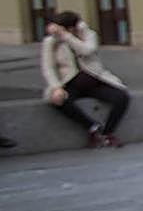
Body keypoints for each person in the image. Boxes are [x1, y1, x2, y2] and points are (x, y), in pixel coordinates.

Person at [41, 11, 129, 148]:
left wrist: (67, 36)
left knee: (121, 97)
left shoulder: (88, 34)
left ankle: (107, 133)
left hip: (95, 80)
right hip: (70, 83)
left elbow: (87, 50)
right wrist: (56, 87)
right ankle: (92, 127)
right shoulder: (51, 42)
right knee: (58, 101)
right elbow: (48, 67)